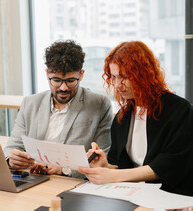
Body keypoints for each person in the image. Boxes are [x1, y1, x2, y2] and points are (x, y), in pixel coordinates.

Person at [78, 41, 193, 196]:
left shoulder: (179, 110)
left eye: (124, 77)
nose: (118, 85)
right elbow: (125, 168)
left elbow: (168, 167)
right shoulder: (122, 117)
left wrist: (114, 176)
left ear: (143, 75)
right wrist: (106, 166)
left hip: (171, 197)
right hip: (135, 194)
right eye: (114, 77)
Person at [4, 40, 113, 178]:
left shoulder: (99, 105)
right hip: (34, 179)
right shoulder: (30, 103)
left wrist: (63, 169)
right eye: (56, 80)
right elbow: (12, 147)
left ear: (81, 74)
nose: (63, 88)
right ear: (46, 74)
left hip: (73, 183)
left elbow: (102, 159)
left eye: (70, 81)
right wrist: (11, 159)